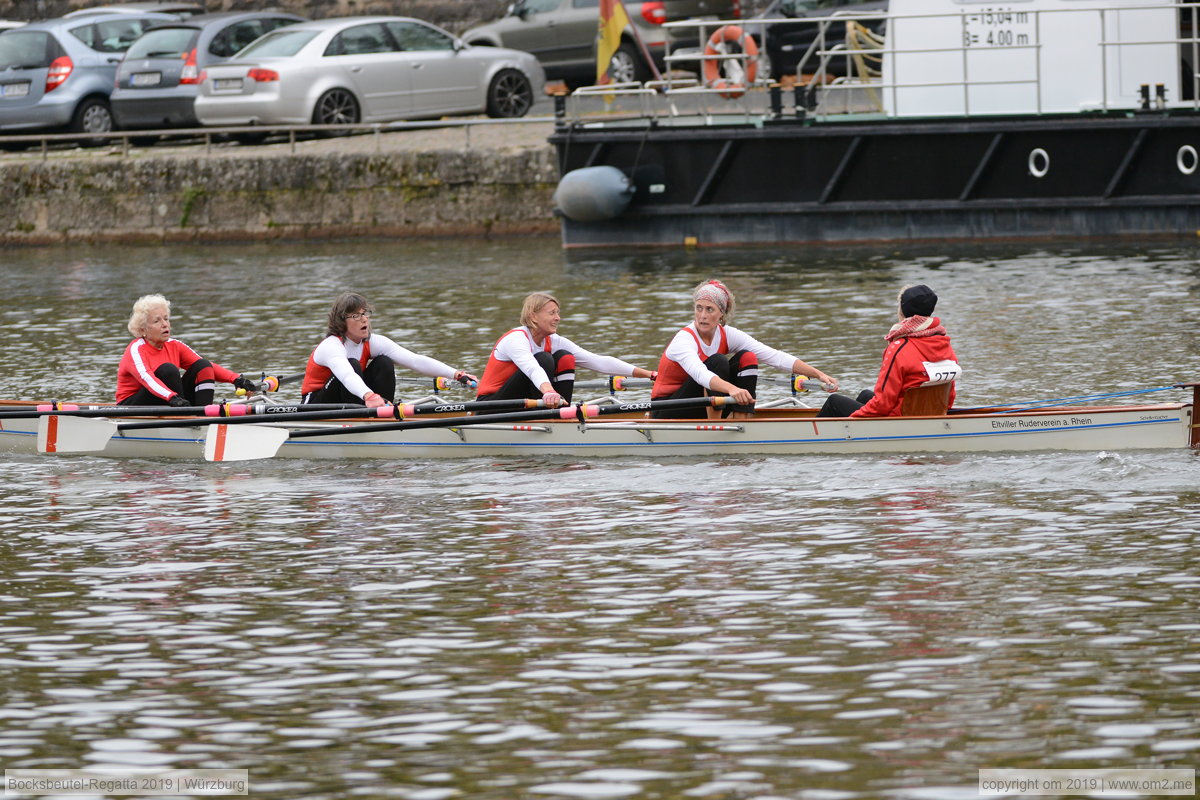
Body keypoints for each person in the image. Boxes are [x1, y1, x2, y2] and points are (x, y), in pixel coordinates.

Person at [651, 279, 839, 419]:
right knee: (717, 362)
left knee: (747, 357)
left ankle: (741, 423)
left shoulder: (728, 334)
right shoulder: (684, 339)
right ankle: (716, 430)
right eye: (699, 308)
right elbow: (701, 374)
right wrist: (733, 389)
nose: (702, 316)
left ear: (722, 314)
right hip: (667, 409)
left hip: (703, 403)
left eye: (710, 310)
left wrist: (818, 374)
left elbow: (774, 357)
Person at [476, 291, 655, 408]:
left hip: (527, 401)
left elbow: (598, 361)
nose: (558, 318)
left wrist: (650, 374)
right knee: (544, 359)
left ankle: (560, 411)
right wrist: (549, 391)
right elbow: (532, 367)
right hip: (491, 406)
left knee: (565, 357)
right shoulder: (515, 339)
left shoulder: (553, 340)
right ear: (533, 316)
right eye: (552, 313)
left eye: (558, 313)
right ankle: (550, 412)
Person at [302, 292, 477, 407]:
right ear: (341, 321)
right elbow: (347, 375)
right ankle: (367, 412)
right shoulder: (332, 346)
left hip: (353, 399)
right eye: (356, 315)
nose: (364, 320)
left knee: (383, 363)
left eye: (365, 313)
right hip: (315, 405)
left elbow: (414, 360)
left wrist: (456, 374)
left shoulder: (373, 342)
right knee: (353, 365)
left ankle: (381, 414)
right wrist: (369, 396)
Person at [817, 284, 959, 418]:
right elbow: (949, 397)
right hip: (928, 412)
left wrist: (852, 420)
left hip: (899, 419)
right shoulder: (944, 344)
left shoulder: (898, 348)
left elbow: (883, 403)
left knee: (834, 402)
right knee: (865, 395)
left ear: (902, 310)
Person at [117, 294, 258, 407]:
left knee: (203, 365)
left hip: (172, 399)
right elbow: (147, 379)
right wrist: (172, 397)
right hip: (132, 406)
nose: (165, 324)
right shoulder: (136, 349)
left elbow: (208, 367)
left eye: (166, 319)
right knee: (168, 370)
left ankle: (204, 416)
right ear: (143, 329)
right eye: (157, 321)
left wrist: (236, 379)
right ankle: (183, 415)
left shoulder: (175, 345)